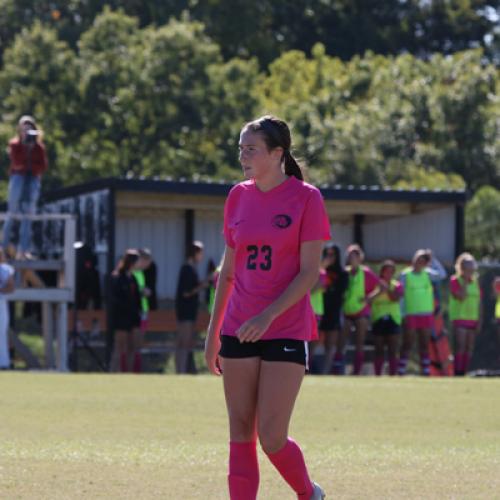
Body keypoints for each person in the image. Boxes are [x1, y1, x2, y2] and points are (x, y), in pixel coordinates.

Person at [204, 115, 329, 500]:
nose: (243, 156)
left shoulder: (307, 198)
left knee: (271, 437)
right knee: (239, 431)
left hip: (286, 329)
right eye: (241, 148)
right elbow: (227, 271)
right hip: (238, 327)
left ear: (277, 153)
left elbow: (309, 272)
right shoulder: (237, 196)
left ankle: (309, 493)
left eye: (251, 149)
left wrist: (267, 315)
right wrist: (213, 335)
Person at [2, 116, 48, 259]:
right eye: (24, 129)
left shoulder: (38, 147)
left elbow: (43, 166)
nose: (27, 132)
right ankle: (2, 248)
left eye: (30, 129)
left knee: (28, 215)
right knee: (12, 212)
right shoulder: (15, 145)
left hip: (32, 179)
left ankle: (24, 250)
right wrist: (25, 147)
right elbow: (17, 163)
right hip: (18, 178)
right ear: (20, 130)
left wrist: (33, 148)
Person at [398, 249, 447, 376]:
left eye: (423, 261)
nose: (419, 263)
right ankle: (401, 370)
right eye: (418, 259)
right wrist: (402, 314)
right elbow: (401, 296)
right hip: (411, 313)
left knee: (424, 344)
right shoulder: (405, 275)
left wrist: (433, 259)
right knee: (407, 343)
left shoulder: (428, 274)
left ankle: (425, 371)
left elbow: (442, 274)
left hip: (426, 314)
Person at [338, 244, 378, 375]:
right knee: (341, 342)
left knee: (359, 343)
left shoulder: (366, 272)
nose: (353, 257)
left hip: (361, 312)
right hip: (347, 311)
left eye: (355, 255)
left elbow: (382, 286)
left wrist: (369, 298)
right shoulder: (345, 272)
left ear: (360, 258)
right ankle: (337, 369)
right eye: (350, 255)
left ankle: (357, 372)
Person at [175, 241, 207, 374]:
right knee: (183, 341)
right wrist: (201, 286)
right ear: (194, 253)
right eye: (200, 253)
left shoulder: (191, 268)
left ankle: (184, 369)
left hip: (190, 311)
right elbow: (186, 292)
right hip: (185, 311)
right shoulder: (186, 269)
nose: (202, 256)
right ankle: (180, 370)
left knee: (187, 342)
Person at [367, 260, 403, 376]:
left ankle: (393, 374)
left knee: (393, 349)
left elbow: (395, 298)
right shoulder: (375, 284)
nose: (388, 273)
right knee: (379, 349)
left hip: (393, 319)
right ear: (382, 272)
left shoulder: (397, 285)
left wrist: (386, 288)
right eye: (386, 271)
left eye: (391, 271)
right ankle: (378, 374)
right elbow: (367, 299)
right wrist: (379, 291)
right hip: (378, 318)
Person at [109, 249, 142, 372]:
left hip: (133, 317)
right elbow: (115, 299)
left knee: (132, 347)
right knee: (119, 347)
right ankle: (113, 371)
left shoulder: (133, 278)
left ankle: (128, 373)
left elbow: (136, 298)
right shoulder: (117, 277)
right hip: (121, 318)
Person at [449, 253, 482, 376]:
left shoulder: (476, 282)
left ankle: (464, 372)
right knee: (461, 347)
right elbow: (461, 297)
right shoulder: (455, 280)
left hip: (472, 319)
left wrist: (480, 319)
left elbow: (479, 302)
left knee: (469, 348)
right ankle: (457, 372)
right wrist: (465, 281)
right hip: (460, 318)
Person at [318, 244, 348, 374]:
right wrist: (321, 267)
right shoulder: (318, 270)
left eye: (332, 255)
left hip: (334, 310)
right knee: (313, 341)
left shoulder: (342, 273)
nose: (330, 258)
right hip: (318, 310)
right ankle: (306, 371)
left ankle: (326, 371)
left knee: (330, 344)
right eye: (327, 254)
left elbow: (341, 291)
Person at [131, 248, 153, 373]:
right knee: (134, 343)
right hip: (137, 312)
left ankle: (136, 369)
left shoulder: (140, 273)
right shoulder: (133, 273)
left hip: (143, 311)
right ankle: (133, 369)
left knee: (139, 343)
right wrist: (143, 292)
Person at [0, 247, 15, 369]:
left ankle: (3, 363)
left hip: (1, 304)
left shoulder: (5, 270)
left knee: (1, 333)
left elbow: (11, 287)